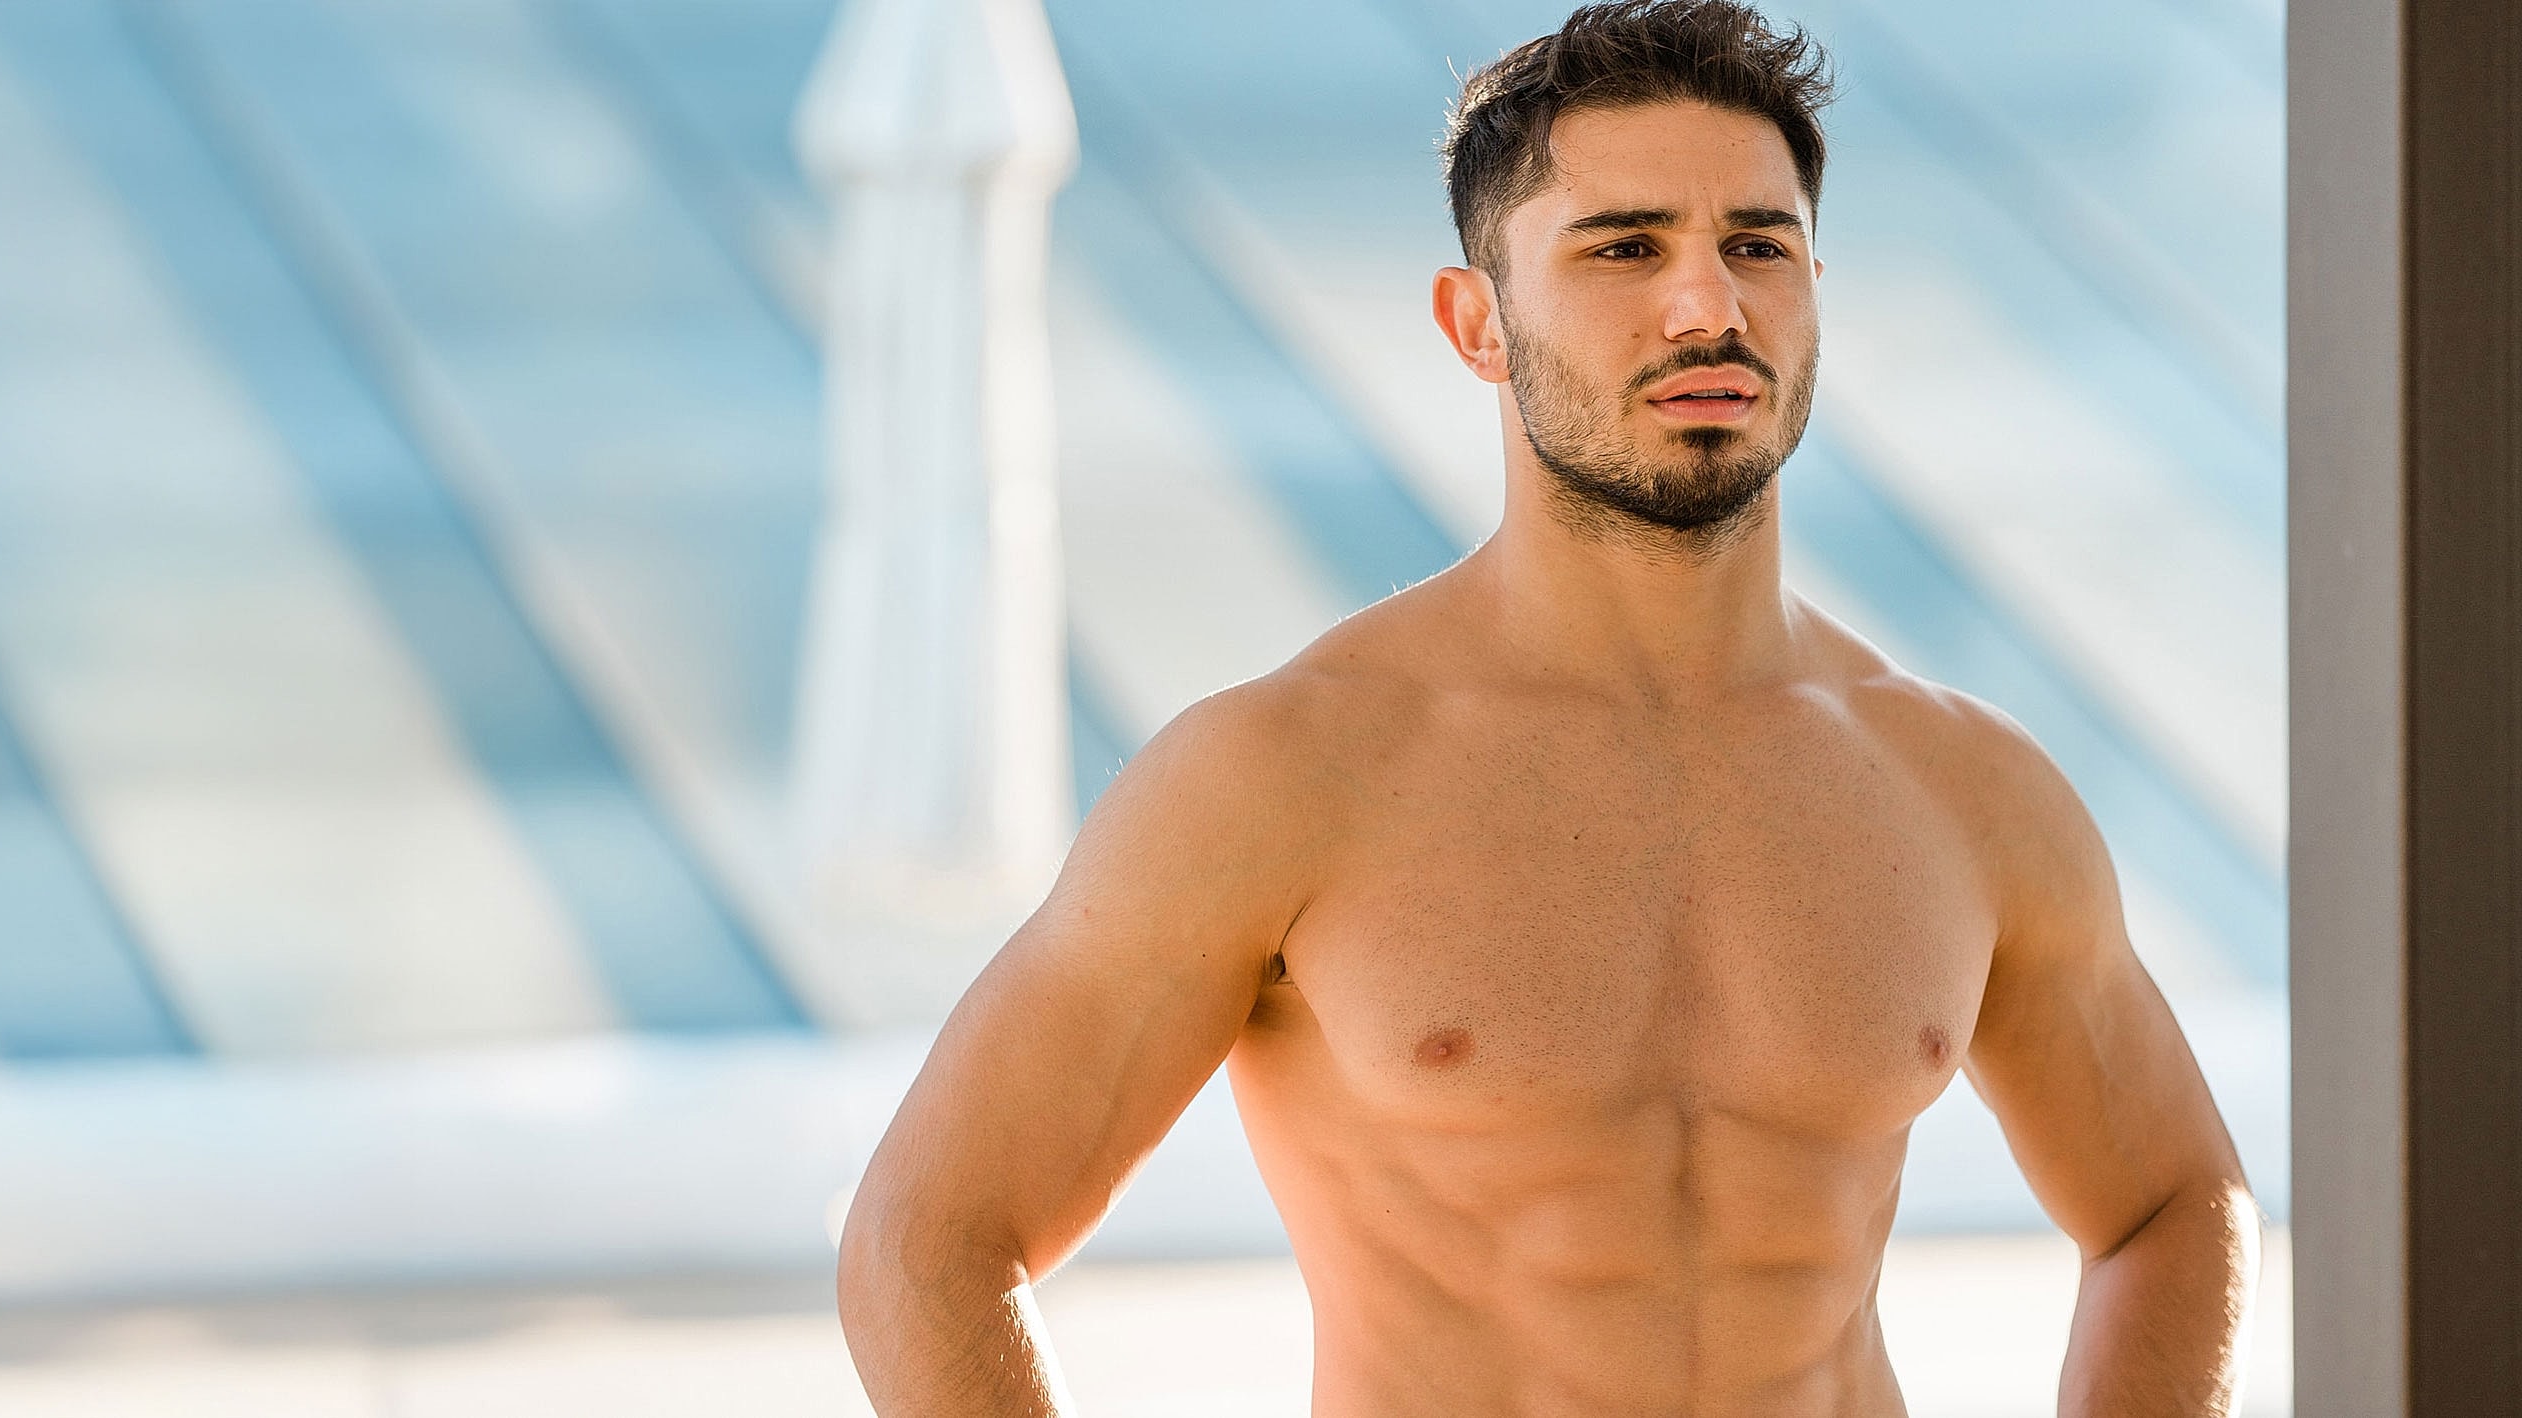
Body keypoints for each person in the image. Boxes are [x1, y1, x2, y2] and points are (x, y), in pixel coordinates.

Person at [835, 2, 2260, 1412]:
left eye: (1756, 245)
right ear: (1478, 323)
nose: (1708, 304)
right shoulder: (1288, 772)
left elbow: (2176, 1202)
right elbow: (930, 1236)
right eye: (1624, 246)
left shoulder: (1964, 785)